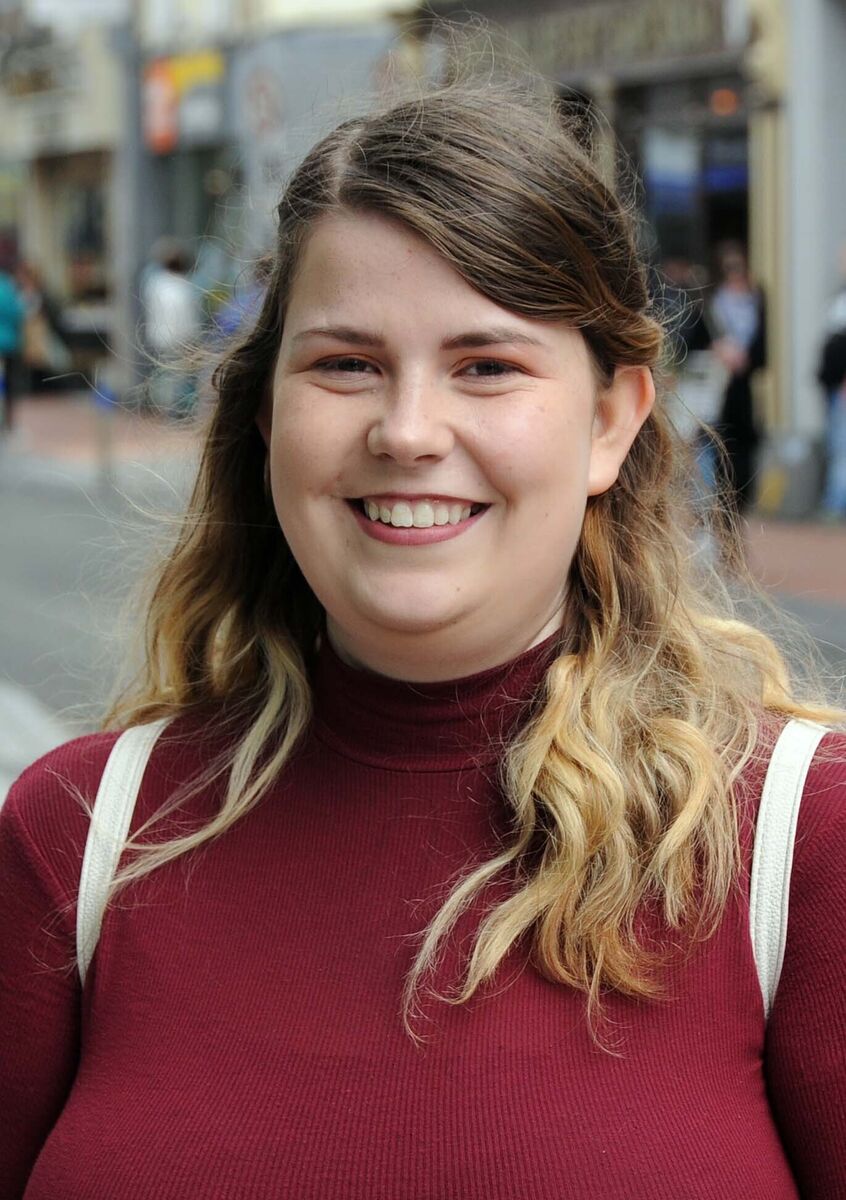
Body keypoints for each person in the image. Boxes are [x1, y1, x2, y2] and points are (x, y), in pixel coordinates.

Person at [1, 80, 845, 1199]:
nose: (406, 432)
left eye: (486, 366)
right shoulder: (77, 841)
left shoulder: (803, 846)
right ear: (267, 416)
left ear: (609, 421)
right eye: (345, 364)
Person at [710, 241, 767, 514]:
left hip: (746, 384)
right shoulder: (716, 302)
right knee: (722, 440)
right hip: (722, 383)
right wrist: (720, 351)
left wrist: (748, 359)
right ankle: (725, 494)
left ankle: (744, 494)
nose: (734, 273)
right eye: (729, 267)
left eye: (738, 267)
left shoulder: (757, 300)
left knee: (746, 441)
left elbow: (765, 346)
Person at [141, 239, 202, 419]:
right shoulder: (183, 286)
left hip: (159, 337)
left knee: (163, 374)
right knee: (180, 376)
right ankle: (176, 411)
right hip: (180, 339)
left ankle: (163, 407)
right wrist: (194, 340)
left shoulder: (155, 284)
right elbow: (187, 317)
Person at [817, 248, 846, 519]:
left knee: (841, 448)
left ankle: (835, 505)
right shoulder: (840, 295)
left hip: (841, 386)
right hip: (833, 384)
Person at [0, 249, 25, 433]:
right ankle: (8, 420)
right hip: (9, 343)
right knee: (9, 384)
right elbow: (18, 313)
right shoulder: (9, 287)